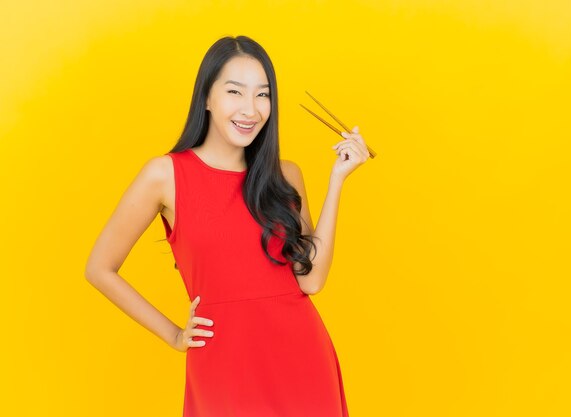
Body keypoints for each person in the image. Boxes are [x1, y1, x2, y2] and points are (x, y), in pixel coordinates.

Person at [84, 35, 369, 417]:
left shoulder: (285, 175)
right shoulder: (165, 174)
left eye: (262, 95)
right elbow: (99, 268)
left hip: (303, 360)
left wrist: (337, 180)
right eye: (235, 91)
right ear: (207, 97)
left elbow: (311, 281)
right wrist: (173, 334)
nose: (250, 109)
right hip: (223, 366)